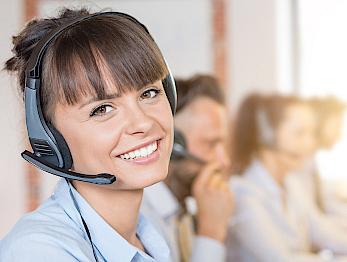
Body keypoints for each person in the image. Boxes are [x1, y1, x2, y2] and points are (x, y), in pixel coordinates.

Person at [0, 8, 176, 262]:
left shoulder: (151, 232)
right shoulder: (38, 251)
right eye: (102, 109)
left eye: (148, 93)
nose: (143, 123)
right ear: (49, 137)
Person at [227, 94, 347, 262]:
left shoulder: (292, 183)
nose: (309, 143)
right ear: (266, 136)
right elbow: (280, 258)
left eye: (311, 133)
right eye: (299, 133)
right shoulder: (243, 193)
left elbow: (322, 231)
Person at [141, 74, 234, 262]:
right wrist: (211, 232)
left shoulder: (182, 214)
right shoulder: (142, 222)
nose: (224, 161)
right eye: (211, 144)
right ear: (175, 145)